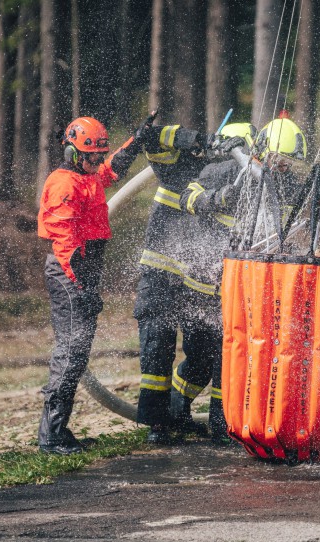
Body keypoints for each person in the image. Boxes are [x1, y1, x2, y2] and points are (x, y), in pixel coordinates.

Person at [135, 121, 256, 445]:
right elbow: (149, 135)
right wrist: (199, 138)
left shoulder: (226, 176)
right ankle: (158, 426)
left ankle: (180, 413)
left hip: (194, 283)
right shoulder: (180, 165)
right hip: (161, 276)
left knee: (204, 356)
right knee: (157, 351)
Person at [37, 115, 150, 455]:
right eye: (92, 156)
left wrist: (137, 140)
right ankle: (51, 436)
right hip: (69, 273)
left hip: (83, 274)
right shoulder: (64, 184)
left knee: (77, 352)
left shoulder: (88, 175)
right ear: (73, 153)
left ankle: (58, 431)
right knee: (70, 354)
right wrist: (83, 288)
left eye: (100, 156)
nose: (98, 162)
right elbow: (66, 244)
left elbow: (111, 171)